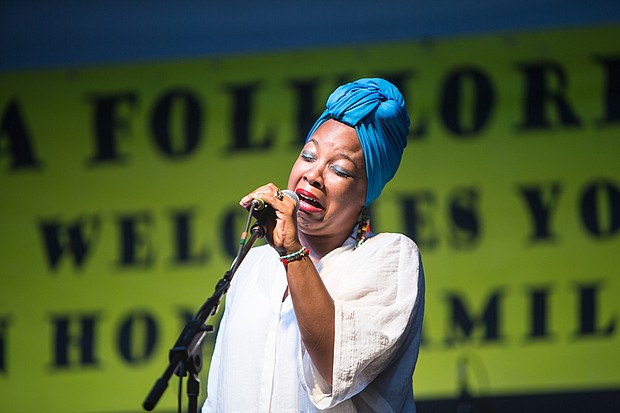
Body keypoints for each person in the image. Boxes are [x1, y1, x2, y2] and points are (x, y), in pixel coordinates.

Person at [202, 78, 425, 412]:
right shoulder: (252, 266)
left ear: (367, 191)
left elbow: (334, 368)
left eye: (339, 169)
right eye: (308, 155)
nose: (314, 175)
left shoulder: (390, 257)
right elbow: (219, 395)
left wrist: (291, 249)